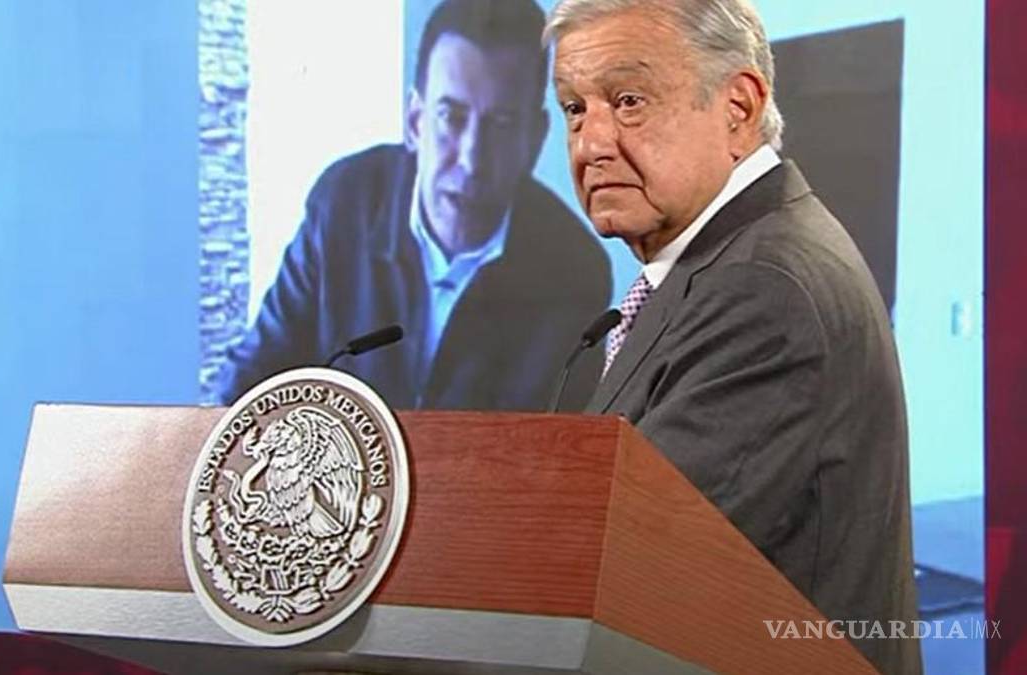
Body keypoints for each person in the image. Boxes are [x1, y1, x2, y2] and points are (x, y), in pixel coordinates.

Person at [545, 1, 920, 673]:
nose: (591, 144)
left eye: (629, 101)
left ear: (739, 109)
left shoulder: (764, 288)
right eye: (575, 108)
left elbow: (630, 568)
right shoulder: (733, 261)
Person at [220, 0, 611, 411]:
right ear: (414, 122)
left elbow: (554, 442)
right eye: (451, 117)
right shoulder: (344, 203)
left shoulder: (575, 273)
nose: (471, 160)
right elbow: (249, 384)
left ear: (534, 140)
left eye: (501, 124)